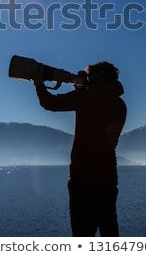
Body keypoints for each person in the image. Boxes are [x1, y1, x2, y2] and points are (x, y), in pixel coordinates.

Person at [34, 60, 127, 237]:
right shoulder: (120, 105)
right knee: (109, 230)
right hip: (107, 178)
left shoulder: (86, 97)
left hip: (83, 178)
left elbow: (49, 103)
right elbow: (97, 108)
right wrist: (84, 89)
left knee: (82, 234)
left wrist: (39, 83)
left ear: (97, 78)